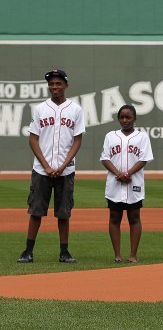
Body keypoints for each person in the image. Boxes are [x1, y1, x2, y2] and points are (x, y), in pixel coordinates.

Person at [17, 69, 85, 263]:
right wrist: (46, 165)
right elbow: (33, 139)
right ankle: (28, 251)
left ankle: (64, 252)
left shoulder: (75, 109)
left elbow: (77, 140)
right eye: (52, 84)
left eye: (58, 83)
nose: (55, 87)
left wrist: (63, 165)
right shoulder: (41, 109)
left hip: (66, 169)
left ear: (66, 86)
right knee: (36, 211)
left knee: (63, 213)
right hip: (41, 170)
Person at [100, 105, 153, 263]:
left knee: (134, 217)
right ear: (118, 118)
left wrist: (128, 173)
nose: (125, 120)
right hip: (115, 183)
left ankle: (133, 255)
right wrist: (118, 174)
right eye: (122, 117)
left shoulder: (142, 137)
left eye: (128, 117)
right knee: (114, 217)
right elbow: (105, 158)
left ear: (134, 119)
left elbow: (144, 158)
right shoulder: (111, 136)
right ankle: (117, 255)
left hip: (134, 182)